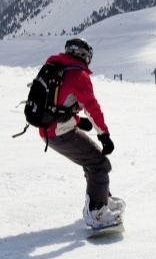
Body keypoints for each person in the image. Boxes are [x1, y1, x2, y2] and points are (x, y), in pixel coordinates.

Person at [39, 38, 124, 228]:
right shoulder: (77, 74)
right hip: (59, 132)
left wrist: (77, 120)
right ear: (84, 56)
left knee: (93, 159)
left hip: (51, 129)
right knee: (99, 164)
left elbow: (57, 103)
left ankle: (100, 199)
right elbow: (92, 107)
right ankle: (96, 213)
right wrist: (104, 134)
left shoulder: (55, 66)